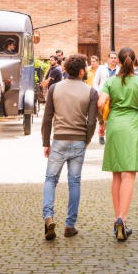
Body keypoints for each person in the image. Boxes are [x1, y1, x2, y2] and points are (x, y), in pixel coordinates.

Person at [40, 54, 99, 240]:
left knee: (50, 179)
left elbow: (47, 118)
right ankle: (69, 225)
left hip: (59, 140)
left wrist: (46, 143)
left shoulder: (55, 88)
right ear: (82, 71)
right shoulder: (91, 92)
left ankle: (48, 217)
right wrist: (87, 139)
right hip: (78, 141)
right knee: (74, 183)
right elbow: (91, 122)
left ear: (65, 70)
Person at [97, 47, 138, 241]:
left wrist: (102, 122)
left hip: (114, 126)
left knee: (116, 175)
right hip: (132, 127)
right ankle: (123, 219)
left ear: (118, 62)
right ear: (134, 61)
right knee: (129, 174)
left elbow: (100, 103)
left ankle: (116, 218)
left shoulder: (110, 81)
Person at [92, 52, 119, 144]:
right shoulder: (101, 68)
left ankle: (112, 136)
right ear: (108, 59)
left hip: (114, 97)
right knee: (102, 119)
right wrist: (98, 92)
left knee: (112, 117)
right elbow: (95, 81)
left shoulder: (119, 69)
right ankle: (101, 135)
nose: (113, 59)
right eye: (111, 58)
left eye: (115, 58)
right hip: (103, 96)